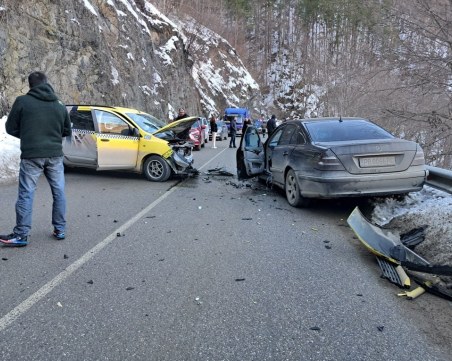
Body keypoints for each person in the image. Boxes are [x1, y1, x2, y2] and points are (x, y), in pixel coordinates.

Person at [0, 71, 72, 247]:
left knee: (26, 193)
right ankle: (60, 229)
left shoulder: (22, 102)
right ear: (47, 83)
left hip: (32, 155)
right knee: (59, 192)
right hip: (55, 155)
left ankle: (21, 235)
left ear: (30, 85)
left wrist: (28, 135)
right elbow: (67, 131)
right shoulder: (59, 104)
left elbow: (10, 128)